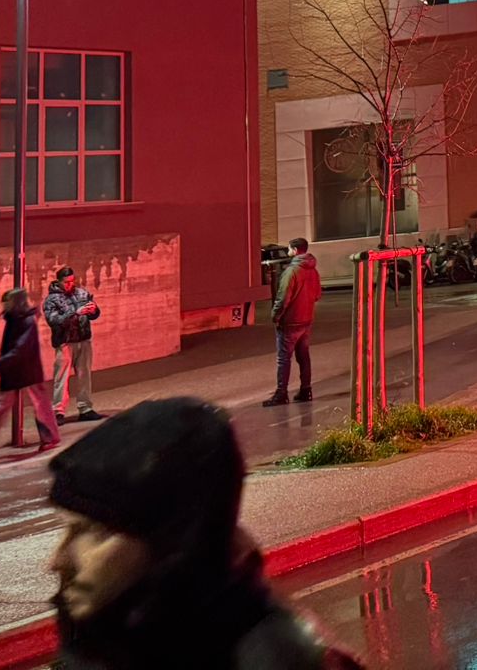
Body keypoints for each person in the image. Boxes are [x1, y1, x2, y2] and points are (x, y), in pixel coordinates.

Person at [47, 397, 362, 668]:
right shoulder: (103, 636)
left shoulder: (278, 659)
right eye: (67, 529)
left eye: (95, 532)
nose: (58, 561)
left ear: (172, 541)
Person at [0, 288, 60, 458]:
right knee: (7, 408)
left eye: (8, 302)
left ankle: (50, 437)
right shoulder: (17, 319)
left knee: (38, 406)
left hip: (25, 370)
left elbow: (19, 350)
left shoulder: (25, 322)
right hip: (18, 371)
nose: (5, 305)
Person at [263, 239, 322, 407]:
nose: (288, 252)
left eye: (289, 249)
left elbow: (282, 298)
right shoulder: (313, 271)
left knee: (284, 358)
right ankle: (306, 390)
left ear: (295, 250)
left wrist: (276, 316)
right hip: (306, 319)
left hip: (290, 321)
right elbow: (317, 294)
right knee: (303, 356)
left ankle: (281, 393)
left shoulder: (291, 272)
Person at [44, 265, 103, 423]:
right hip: (65, 342)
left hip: (83, 339)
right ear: (59, 281)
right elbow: (53, 320)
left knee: (84, 375)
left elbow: (95, 314)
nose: (70, 284)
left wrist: (93, 310)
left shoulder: (82, 293)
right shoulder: (51, 299)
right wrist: (75, 313)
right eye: (66, 282)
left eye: (72, 281)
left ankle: (85, 408)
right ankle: (58, 411)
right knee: (61, 377)